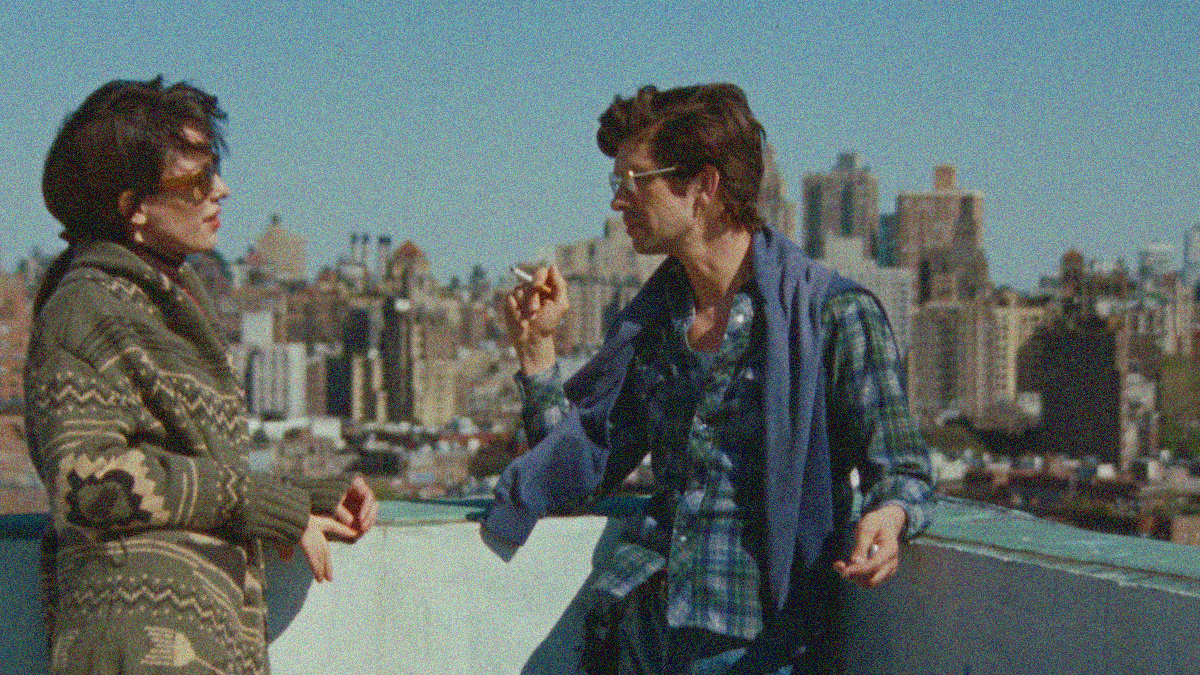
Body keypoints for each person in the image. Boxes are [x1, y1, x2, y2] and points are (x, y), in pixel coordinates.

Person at [481, 83, 934, 675]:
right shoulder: (654, 321)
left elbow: (903, 469)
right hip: (636, 626)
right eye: (617, 184)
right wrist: (537, 349)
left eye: (635, 181)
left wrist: (890, 515)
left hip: (762, 645)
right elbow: (582, 470)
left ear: (705, 188)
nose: (619, 202)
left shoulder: (832, 315)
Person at [27, 76, 378, 675]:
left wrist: (306, 496)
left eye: (214, 170)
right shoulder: (86, 308)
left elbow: (189, 455)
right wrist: (261, 501)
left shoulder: (163, 300)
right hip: (136, 641)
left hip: (201, 636)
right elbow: (87, 482)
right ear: (132, 207)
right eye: (195, 182)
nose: (222, 190)